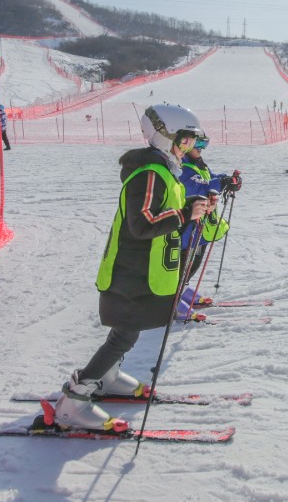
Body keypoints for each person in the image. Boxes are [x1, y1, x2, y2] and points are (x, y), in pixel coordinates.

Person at [52, 104, 214, 431]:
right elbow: (142, 223)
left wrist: (192, 209)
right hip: (129, 269)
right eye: (185, 140)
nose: (190, 148)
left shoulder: (165, 171)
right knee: (124, 334)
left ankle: (107, 377)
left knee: (129, 330)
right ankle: (74, 399)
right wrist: (184, 213)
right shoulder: (150, 172)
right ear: (166, 136)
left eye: (193, 142)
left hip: (144, 269)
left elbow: (160, 219)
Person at [175, 135, 243, 314]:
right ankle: (171, 299)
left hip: (200, 226)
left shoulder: (198, 165)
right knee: (184, 264)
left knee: (193, 263)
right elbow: (197, 186)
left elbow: (209, 178)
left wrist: (227, 180)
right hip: (187, 228)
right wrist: (219, 183)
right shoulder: (181, 167)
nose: (201, 147)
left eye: (204, 143)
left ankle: (182, 289)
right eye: (197, 144)